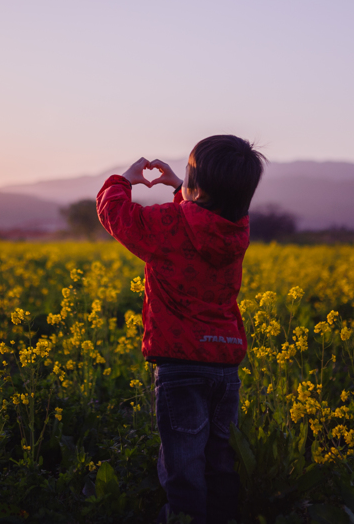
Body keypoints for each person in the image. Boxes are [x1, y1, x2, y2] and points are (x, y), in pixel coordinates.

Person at [95, 135, 265, 524]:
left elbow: (118, 217)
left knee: (183, 464)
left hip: (179, 366)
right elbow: (198, 225)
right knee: (221, 460)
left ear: (197, 187)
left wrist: (122, 181)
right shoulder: (236, 231)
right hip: (225, 366)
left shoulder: (168, 226)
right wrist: (179, 188)